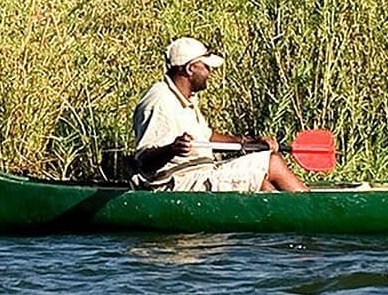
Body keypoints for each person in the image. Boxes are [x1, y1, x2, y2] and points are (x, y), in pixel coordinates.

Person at [130, 38, 307, 192]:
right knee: (268, 168)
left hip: (202, 172)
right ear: (190, 69)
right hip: (178, 182)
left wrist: (248, 143)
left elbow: (207, 137)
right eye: (206, 67)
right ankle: (311, 210)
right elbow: (144, 161)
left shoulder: (187, 97)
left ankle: (298, 218)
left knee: (267, 173)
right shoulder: (158, 101)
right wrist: (172, 149)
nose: (210, 72)